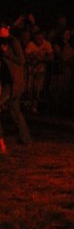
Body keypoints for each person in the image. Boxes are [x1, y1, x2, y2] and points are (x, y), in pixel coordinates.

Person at [0, 23, 32, 152]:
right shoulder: (3, 42)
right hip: (9, 82)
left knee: (13, 109)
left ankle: (2, 144)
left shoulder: (13, 41)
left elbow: (21, 60)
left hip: (14, 83)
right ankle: (26, 139)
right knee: (15, 111)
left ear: (6, 29)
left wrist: (6, 52)